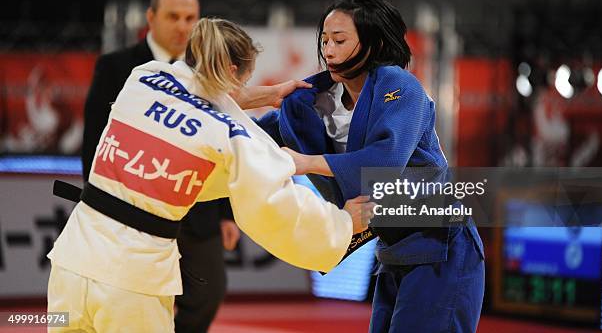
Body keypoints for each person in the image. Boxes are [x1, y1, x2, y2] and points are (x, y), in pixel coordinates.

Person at [48, 17, 374, 332]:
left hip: (71, 263)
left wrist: (269, 94)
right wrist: (343, 223)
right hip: (131, 280)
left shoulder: (143, 78)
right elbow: (275, 205)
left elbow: (197, 91)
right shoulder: (230, 135)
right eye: (245, 80)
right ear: (233, 72)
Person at [258, 0, 485, 332]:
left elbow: (386, 162)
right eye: (324, 41)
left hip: (442, 244)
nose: (329, 51)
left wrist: (306, 163)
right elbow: (245, 137)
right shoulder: (307, 101)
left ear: (374, 43)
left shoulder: (400, 87)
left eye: (339, 40)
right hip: (391, 249)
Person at [81, 0, 236, 332]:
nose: (183, 26)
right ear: (151, 17)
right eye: (173, 16)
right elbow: (94, 144)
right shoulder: (115, 67)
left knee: (209, 293)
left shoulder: (208, 74)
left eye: (190, 18)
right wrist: (99, 209)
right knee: (136, 300)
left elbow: (225, 143)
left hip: (198, 211)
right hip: (134, 213)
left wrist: (228, 213)